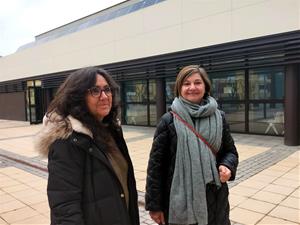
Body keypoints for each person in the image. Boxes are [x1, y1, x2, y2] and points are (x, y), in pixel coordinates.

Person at [35, 67, 139, 225]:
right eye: (95, 91)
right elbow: (65, 207)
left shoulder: (111, 131)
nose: (104, 96)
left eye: (107, 89)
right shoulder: (67, 142)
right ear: (78, 97)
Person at [145, 65, 238, 225]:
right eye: (186, 83)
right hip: (180, 200)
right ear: (179, 88)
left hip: (216, 200)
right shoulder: (168, 121)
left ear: (205, 86)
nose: (192, 87)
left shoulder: (219, 117)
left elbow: (230, 152)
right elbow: (156, 167)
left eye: (197, 82)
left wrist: (227, 166)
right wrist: (155, 206)